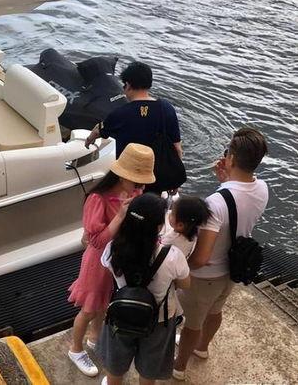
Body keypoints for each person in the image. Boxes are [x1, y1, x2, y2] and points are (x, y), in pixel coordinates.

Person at [173, 127, 269, 381]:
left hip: (207, 276)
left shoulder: (215, 203)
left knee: (192, 324)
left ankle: (179, 367)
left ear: (231, 158)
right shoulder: (262, 188)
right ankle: (202, 348)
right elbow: (239, 204)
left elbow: (202, 257)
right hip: (233, 270)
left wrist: (179, 269)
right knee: (215, 311)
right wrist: (225, 182)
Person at [68, 143, 156, 377]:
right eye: (137, 182)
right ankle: (75, 349)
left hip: (119, 261)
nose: (141, 187)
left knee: (105, 303)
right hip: (98, 263)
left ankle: (95, 338)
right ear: (123, 175)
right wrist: (120, 216)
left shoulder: (135, 193)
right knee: (89, 308)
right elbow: (96, 241)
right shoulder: (98, 198)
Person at [98, 193, 191, 385]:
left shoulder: (112, 249)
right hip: (159, 320)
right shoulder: (173, 256)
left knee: (115, 367)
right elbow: (185, 284)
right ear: (159, 226)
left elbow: (109, 271)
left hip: (122, 315)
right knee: (149, 371)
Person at [84, 61, 182, 161]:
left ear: (128, 85)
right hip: (156, 167)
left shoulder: (120, 113)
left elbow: (97, 131)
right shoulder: (166, 108)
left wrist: (88, 141)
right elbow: (177, 148)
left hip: (128, 167)